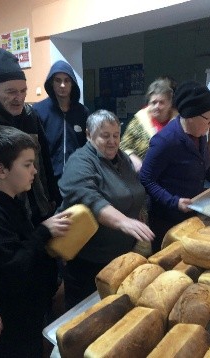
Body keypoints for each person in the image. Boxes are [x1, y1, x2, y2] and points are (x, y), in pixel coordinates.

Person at [0, 126, 72, 357]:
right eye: (27, 164)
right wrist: (43, 233)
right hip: (11, 327)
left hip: (29, 318)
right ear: (1, 170)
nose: (35, 171)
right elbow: (13, 266)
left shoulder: (12, 201)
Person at [58, 109, 154, 309]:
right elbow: (88, 198)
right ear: (88, 135)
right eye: (105, 135)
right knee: (85, 313)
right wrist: (123, 221)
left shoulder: (122, 159)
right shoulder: (80, 161)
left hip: (120, 255)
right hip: (90, 260)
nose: (112, 141)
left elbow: (133, 192)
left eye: (116, 135)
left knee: (114, 308)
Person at [140, 81, 210, 253]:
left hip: (191, 213)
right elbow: (146, 179)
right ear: (191, 115)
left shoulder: (199, 135)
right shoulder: (165, 141)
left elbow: (202, 165)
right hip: (166, 220)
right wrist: (174, 202)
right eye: (209, 119)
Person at [0, 48, 60, 226]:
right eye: (11, 92)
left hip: (38, 204)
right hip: (2, 214)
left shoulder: (30, 115)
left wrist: (54, 197)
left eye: (23, 90)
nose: (19, 98)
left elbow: (43, 160)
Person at [32, 60, 90, 185]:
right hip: (48, 179)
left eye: (66, 80)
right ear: (51, 83)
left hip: (77, 178)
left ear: (72, 83)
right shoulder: (38, 110)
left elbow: (87, 145)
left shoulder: (82, 112)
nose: (62, 85)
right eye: (58, 80)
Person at [120, 77, 178, 172]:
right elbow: (124, 146)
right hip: (143, 175)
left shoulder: (179, 122)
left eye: (161, 102)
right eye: (153, 102)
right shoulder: (139, 120)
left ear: (170, 103)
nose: (157, 106)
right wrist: (134, 158)